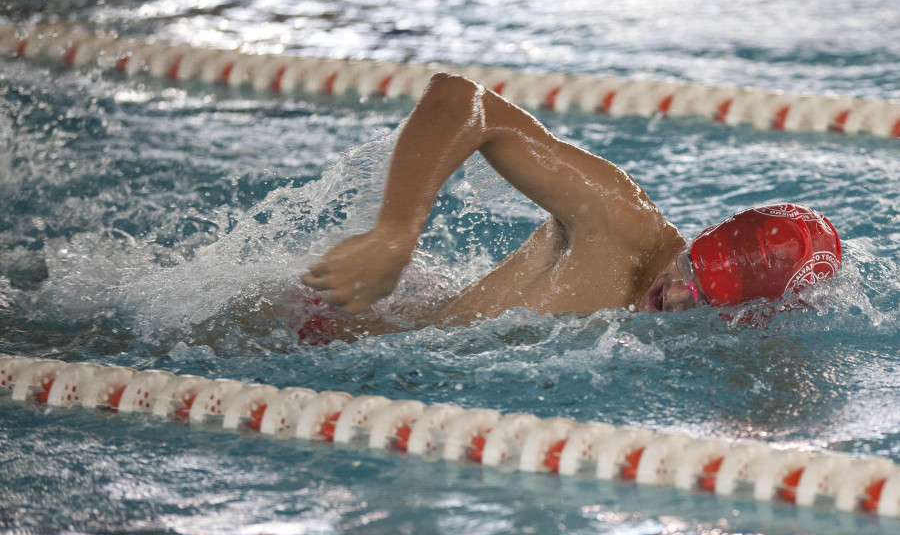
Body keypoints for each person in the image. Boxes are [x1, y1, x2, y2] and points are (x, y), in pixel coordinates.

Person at [297, 73, 841, 343]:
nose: (674, 292)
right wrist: (394, 235)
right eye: (691, 266)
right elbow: (465, 100)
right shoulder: (620, 225)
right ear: (698, 239)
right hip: (330, 323)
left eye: (705, 297)